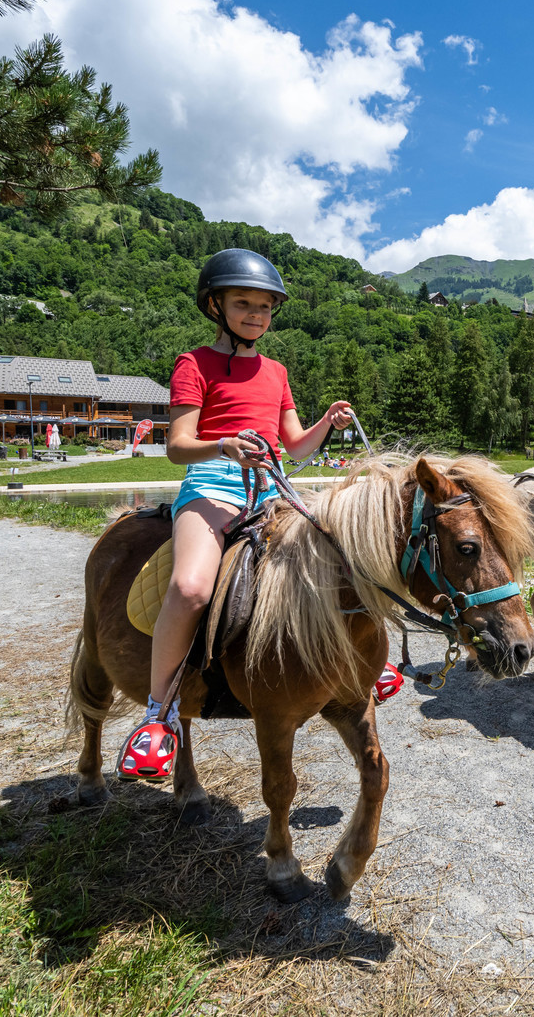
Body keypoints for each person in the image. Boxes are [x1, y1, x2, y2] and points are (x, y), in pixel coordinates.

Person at [117, 248, 377, 783]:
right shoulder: (194, 363)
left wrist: (327, 420)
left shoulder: (276, 371)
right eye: (244, 303)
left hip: (272, 488)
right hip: (212, 485)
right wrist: (224, 447)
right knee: (190, 588)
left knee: (340, 559)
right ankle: (157, 715)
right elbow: (178, 446)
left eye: (265, 306)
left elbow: (297, 448)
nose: (256, 314)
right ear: (216, 305)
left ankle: (361, 667)